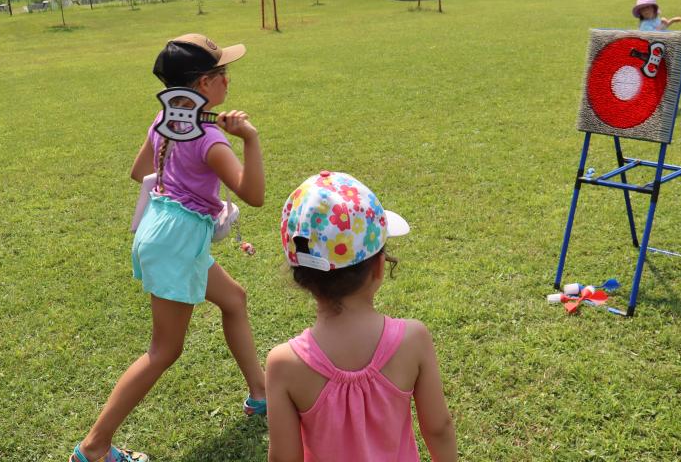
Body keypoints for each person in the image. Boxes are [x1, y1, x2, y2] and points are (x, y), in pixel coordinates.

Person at [69, 34, 268, 462]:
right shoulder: (211, 140)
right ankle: (94, 448)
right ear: (201, 85)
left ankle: (261, 394)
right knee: (165, 350)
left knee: (234, 299)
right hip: (177, 240)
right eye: (220, 74)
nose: (228, 81)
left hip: (164, 231)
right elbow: (254, 194)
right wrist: (248, 139)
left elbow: (139, 171)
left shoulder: (163, 123)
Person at [266, 172, 457, 462]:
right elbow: (439, 428)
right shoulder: (413, 339)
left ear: (302, 277)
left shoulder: (283, 364)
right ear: (379, 267)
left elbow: (283, 458)